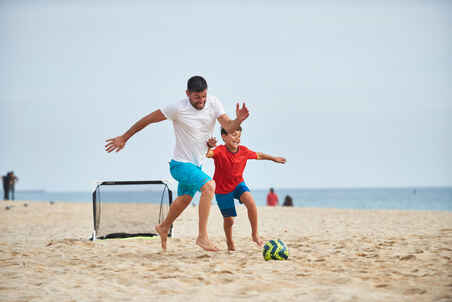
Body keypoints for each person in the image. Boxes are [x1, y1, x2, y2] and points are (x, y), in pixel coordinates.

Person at [105, 76, 250, 252]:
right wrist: (124, 137)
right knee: (209, 186)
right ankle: (202, 237)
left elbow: (228, 125)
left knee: (184, 199)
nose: (201, 101)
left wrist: (238, 121)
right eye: (197, 97)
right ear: (188, 94)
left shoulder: (214, 103)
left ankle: (164, 226)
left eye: (204, 96)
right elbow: (147, 119)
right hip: (180, 165)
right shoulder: (177, 108)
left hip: (196, 165)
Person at [206, 126, 286, 251]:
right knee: (229, 221)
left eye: (239, 136)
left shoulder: (243, 151)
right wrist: (209, 146)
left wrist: (273, 158)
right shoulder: (220, 150)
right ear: (224, 137)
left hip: (238, 184)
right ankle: (229, 241)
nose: (237, 138)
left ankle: (254, 234)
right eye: (233, 135)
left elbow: (259, 155)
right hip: (222, 190)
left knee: (251, 202)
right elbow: (208, 154)